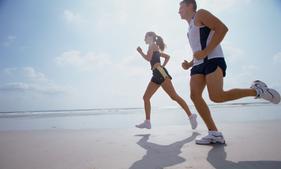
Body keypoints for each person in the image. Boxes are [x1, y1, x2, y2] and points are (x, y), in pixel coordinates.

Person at [178, 0, 281, 145]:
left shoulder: (200, 14)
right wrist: (189, 63)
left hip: (213, 59)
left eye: (180, 6)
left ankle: (257, 90)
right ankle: (214, 133)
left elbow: (222, 29)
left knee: (217, 96)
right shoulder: (188, 29)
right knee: (195, 96)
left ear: (190, 6)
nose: (179, 10)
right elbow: (198, 50)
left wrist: (206, 52)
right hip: (198, 65)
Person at [136, 31, 198, 130]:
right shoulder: (155, 47)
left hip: (160, 73)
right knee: (146, 97)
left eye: (145, 37)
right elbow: (167, 57)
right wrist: (161, 66)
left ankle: (191, 116)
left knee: (174, 96)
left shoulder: (152, 46)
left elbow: (148, 59)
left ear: (151, 37)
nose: (144, 39)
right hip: (157, 73)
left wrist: (140, 52)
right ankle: (147, 122)